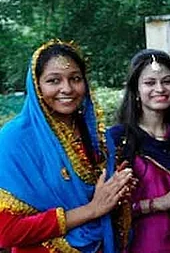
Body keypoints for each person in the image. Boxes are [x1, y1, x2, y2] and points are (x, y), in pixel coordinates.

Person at [0, 41, 134, 252]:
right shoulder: (14, 140)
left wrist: (116, 191)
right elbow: (7, 233)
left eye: (75, 79)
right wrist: (92, 209)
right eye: (54, 80)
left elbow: (102, 201)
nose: (67, 89)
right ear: (37, 86)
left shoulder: (97, 136)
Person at [107, 50, 170, 253]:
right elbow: (109, 207)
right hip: (138, 245)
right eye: (149, 83)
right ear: (136, 90)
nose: (160, 89)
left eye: (166, 81)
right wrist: (158, 203)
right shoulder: (118, 139)